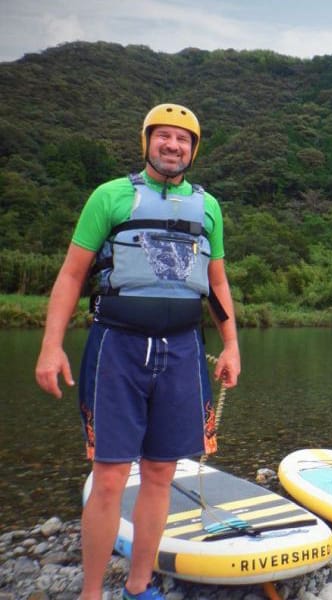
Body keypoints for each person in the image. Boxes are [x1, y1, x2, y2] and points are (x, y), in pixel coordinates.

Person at [34, 103, 241, 600]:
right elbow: (70, 274)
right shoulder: (111, 196)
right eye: (164, 137)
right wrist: (50, 346)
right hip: (117, 348)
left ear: (194, 150)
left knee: (160, 473)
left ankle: (139, 585)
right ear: (147, 141)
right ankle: (90, 594)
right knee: (107, 476)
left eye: (183, 140)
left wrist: (231, 344)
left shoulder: (208, 207)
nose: (173, 146)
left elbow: (216, 281)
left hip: (184, 349)